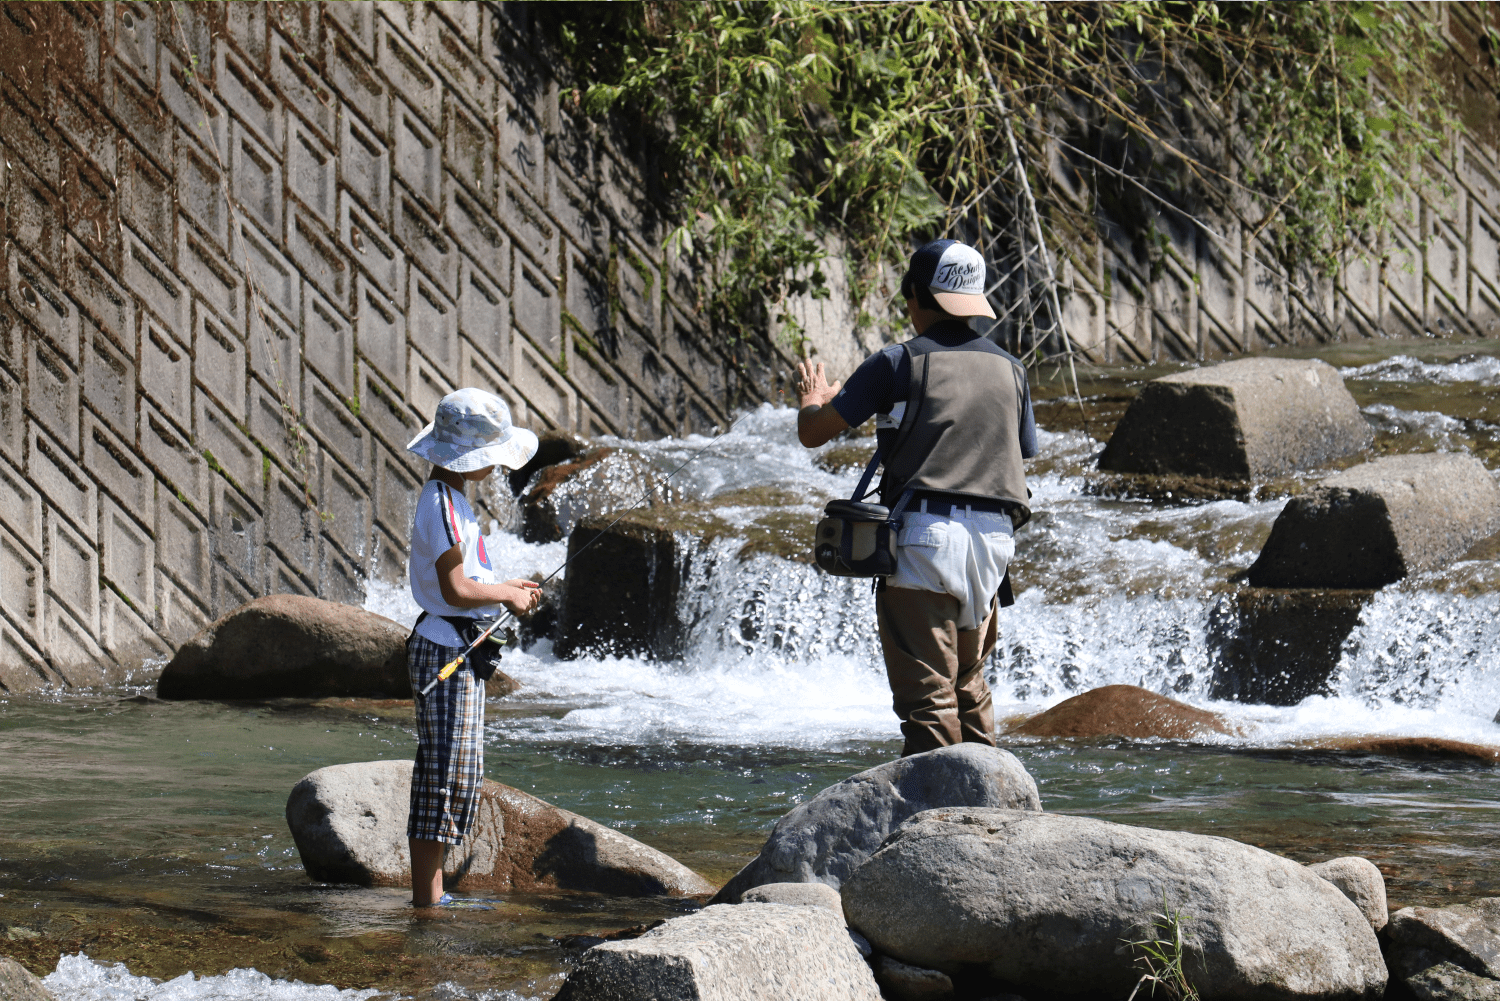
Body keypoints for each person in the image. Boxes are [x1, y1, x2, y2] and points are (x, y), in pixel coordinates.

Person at [795, 238, 1038, 757]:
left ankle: (942, 821)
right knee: (969, 687)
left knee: (927, 699)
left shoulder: (896, 362)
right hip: (995, 545)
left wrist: (814, 401)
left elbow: (815, 433)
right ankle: (996, 814)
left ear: (914, 295)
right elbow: (1021, 452)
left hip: (926, 541)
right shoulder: (1012, 369)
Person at [404, 388, 543, 907]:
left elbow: (465, 583)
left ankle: (433, 898)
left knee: (459, 772)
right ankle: (427, 902)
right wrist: (504, 592)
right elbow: (456, 589)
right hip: (445, 651)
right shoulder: (440, 505)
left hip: (457, 649)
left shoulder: (453, 501)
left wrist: (506, 588)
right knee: (442, 776)